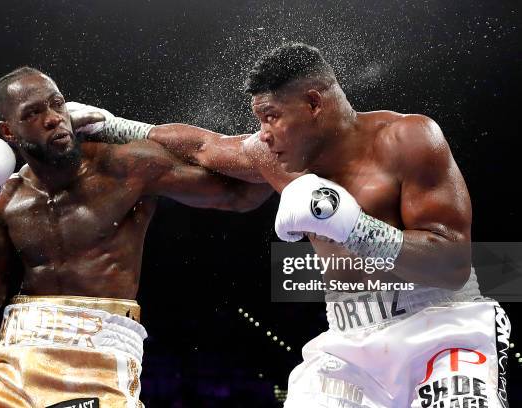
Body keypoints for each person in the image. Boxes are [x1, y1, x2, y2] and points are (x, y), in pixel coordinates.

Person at [87, 43, 510, 407]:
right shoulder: (272, 156)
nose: (263, 134)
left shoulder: (409, 138)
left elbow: (452, 265)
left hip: (440, 324)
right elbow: (203, 146)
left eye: (271, 117)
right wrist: (110, 126)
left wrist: (353, 228)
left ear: (313, 103)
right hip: (350, 337)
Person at [0, 66, 272, 408]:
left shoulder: (125, 167)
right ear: (8, 131)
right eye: (33, 113)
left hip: (101, 359)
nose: (52, 119)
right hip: (15, 361)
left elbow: (242, 193)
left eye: (56, 104)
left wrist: (121, 128)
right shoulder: (6, 200)